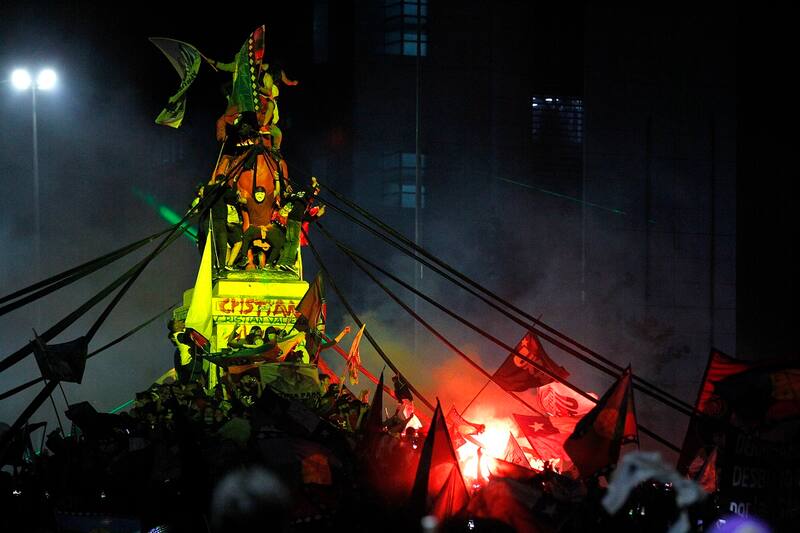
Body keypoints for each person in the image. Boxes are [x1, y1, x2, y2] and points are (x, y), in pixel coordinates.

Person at [275, 177, 326, 274]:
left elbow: (287, 196)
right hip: (296, 220)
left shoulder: (296, 195)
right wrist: (314, 184)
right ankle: (288, 263)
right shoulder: (306, 197)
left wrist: (286, 193)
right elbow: (310, 194)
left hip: (290, 219)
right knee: (294, 241)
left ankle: (281, 262)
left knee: (289, 241)